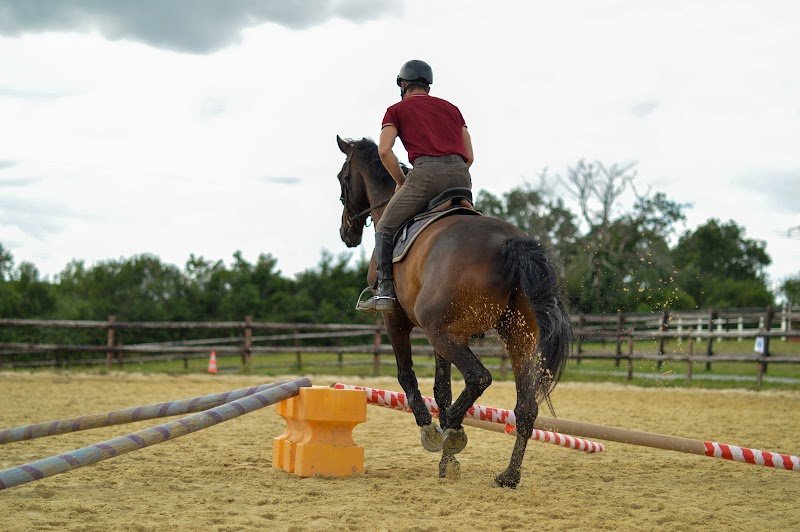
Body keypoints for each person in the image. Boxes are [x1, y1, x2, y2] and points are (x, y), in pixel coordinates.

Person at [368, 59, 474, 312]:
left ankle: (384, 290)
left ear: (403, 84)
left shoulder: (397, 109)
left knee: (384, 226)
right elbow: (469, 156)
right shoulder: (452, 109)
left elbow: (384, 151)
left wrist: (403, 182)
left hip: (425, 173)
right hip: (461, 176)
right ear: (428, 85)